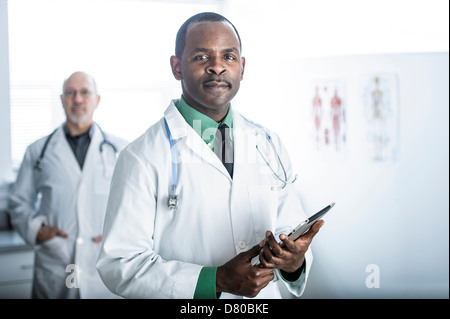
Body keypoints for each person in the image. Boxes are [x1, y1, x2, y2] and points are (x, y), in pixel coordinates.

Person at [96, 12, 324, 299]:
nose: (217, 67)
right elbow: (120, 264)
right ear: (177, 67)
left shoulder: (268, 144)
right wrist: (214, 281)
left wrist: (293, 262)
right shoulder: (142, 157)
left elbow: (288, 226)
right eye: (202, 57)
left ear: (242, 67)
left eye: (228, 57)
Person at [8, 71, 128, 298]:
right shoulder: (38, 151)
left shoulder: (121, 150)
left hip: (104, 258)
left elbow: (134, 205)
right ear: (62, 100)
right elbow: (18, 203)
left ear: (97, 100)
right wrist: (39, 232)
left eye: (84, 93)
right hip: (57, 257)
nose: (78, 99)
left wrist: (120, 233)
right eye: (71, 93)